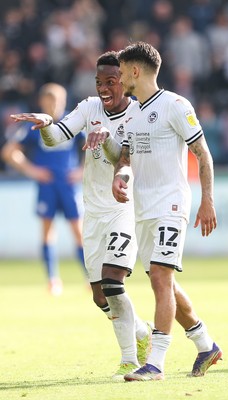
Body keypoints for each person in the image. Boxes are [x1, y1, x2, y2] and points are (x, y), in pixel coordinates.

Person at [7, 52, 153, 381]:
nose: (103, 87)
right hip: (94, 212)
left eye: (110, 81)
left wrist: (118, 170)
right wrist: (46, 124)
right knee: (100, 297)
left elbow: (126, 161)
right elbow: (58, 135)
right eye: (98, 81)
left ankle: (130, 360)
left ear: (126, 80)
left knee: (114, 284)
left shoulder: (139, 116)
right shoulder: (88, 108)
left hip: (123, 208)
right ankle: (142, 332)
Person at [111, 41, 222, 381]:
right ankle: (205, 344)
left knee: (160, 276)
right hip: (142, 208)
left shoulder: (176, 105)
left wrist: (207, 200)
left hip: (171, 203)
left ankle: (155, 364)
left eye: (120, 72)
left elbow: (202, 153)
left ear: (134, 70)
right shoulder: (132, 113)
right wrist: (121, 175)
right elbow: (127, 158)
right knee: (165, 283)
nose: (118, 79)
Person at [1, 83, 87, 296]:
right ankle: (52, 279)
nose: (55, 106)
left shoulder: (72, 122)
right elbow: (9, 152)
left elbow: (93, 148)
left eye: (58, 101)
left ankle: (90, 277)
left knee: (79, 232)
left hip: (68, 185)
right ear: (42, 102)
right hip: (47, 185)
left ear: (64, 102)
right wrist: (32, 171)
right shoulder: (35, 125)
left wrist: (81, 171)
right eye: (50, 101)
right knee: (48, 232)